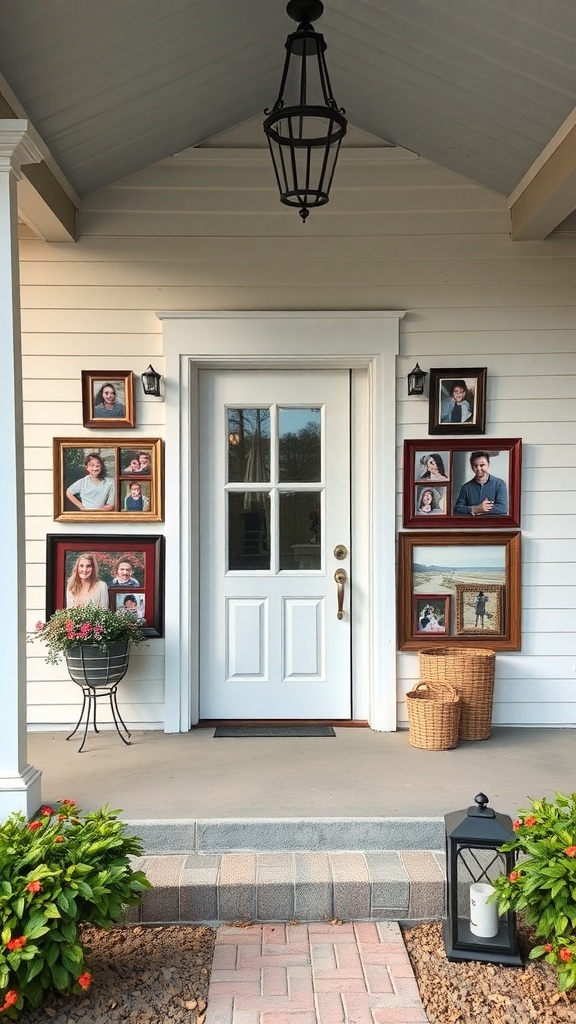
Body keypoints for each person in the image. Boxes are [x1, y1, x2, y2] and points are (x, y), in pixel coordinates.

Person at [454, 451, 508, 516]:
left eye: (482, 465)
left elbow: (502, 509)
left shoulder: (500, 484)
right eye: (475, 465)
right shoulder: (466, 487)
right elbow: (457, 509)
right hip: (473, 525)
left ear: (488, 464)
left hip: (493, 525)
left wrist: (479, 510)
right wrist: (476, 509)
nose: (479, 468)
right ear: (471, 467)